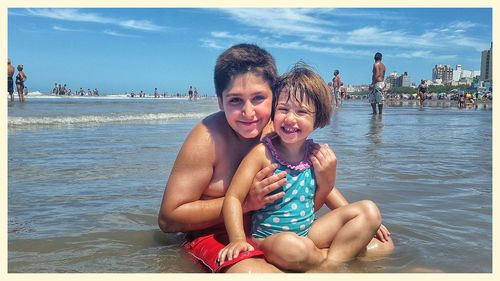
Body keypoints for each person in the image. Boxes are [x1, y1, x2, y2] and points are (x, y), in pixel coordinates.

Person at [158, 44, 393, 273]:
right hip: (218, 235)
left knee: (381, 246)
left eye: (258, 98)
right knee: (255, 273)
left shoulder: (278, 130)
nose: (248, 112)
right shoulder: (207, 138)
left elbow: (306, 175)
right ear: (221, 101)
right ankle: (319, 264)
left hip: (281, 232)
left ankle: (319, 263)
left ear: (274, 96)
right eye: (235, 100)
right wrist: (247, 203)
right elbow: (169, 220)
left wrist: (350, 208)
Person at [217, 63, 383, 272]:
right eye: (283, 109)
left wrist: (369, 226)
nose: (290, 118)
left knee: (369, 211)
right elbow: (233, 197)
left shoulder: (315, 154)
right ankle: (330, 263)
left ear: (317, 119)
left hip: (309, 231)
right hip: (270, 239)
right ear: (273, 112)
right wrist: (238, 239)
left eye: (302, 112)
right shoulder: (262, 153)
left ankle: (329, 264)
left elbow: (328, 190)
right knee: (293, 246)